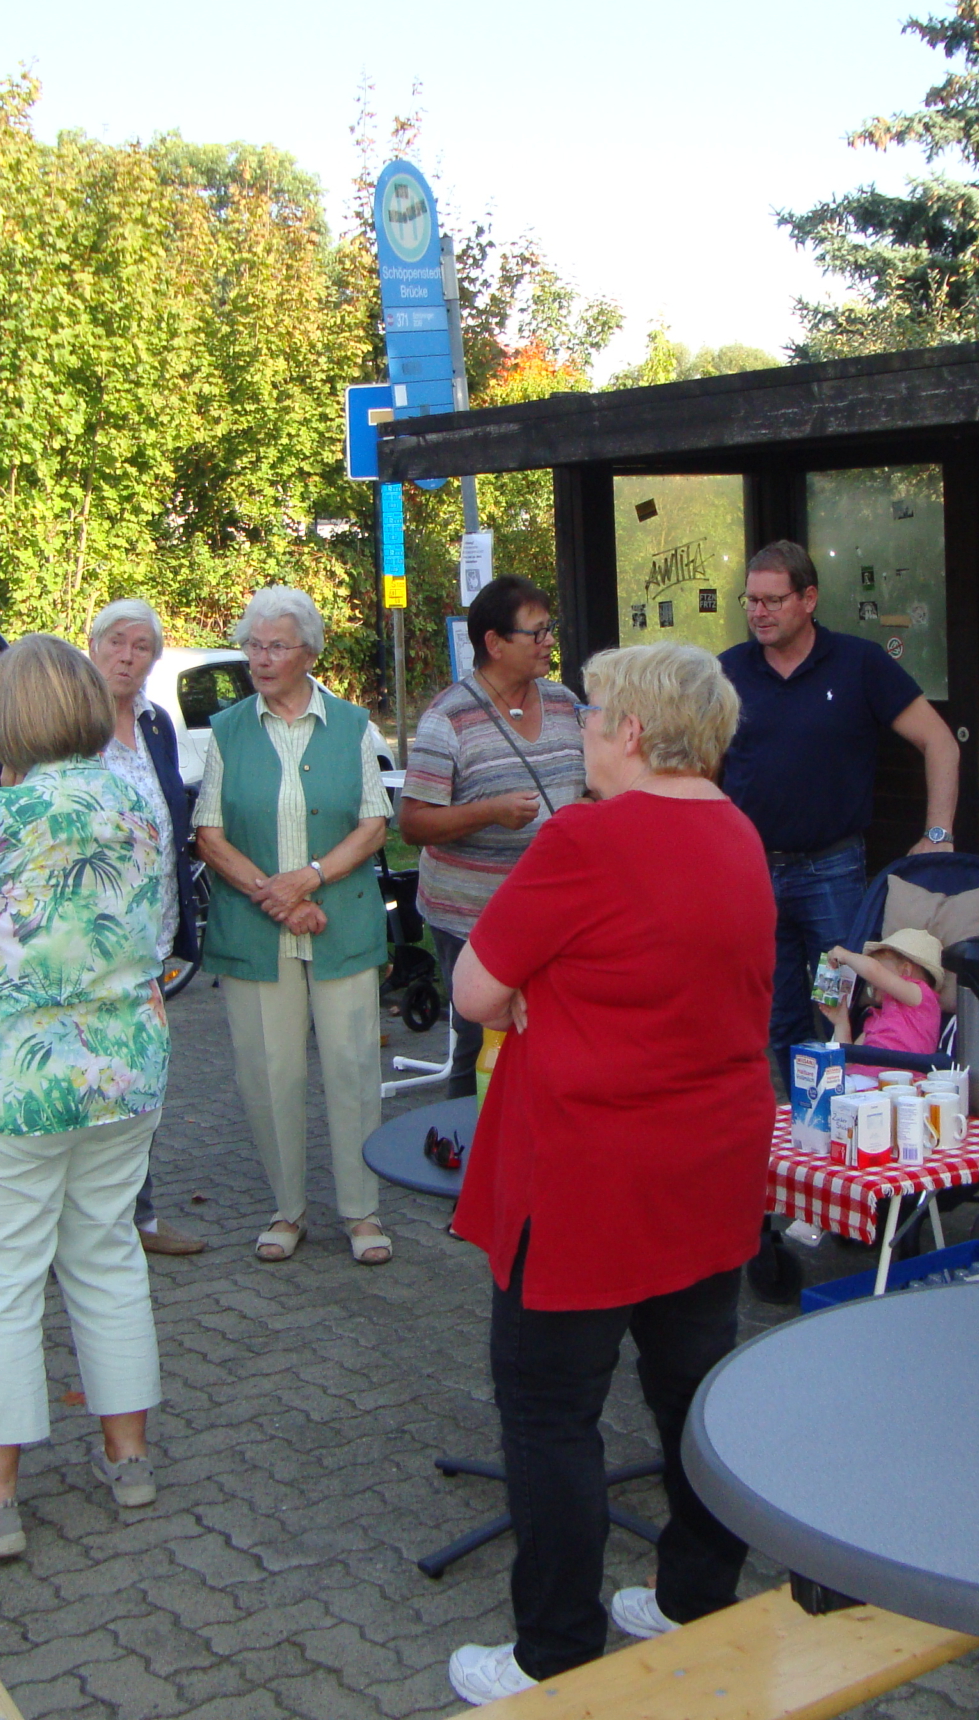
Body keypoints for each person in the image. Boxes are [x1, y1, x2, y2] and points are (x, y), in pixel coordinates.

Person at [440, 639, 774, 1704]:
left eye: (586, 717)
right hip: (707, 1164)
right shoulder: (736, 829)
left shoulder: (584, 837)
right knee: (690, 1388)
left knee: (549, 1415)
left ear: (630, 732)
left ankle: (554, 1653)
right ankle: (692, 1593)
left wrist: (538, 988)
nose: (575, 731)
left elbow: (472, 992)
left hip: (588, 1172)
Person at [0, 635, 177, 1558]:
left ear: (9, 718)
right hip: (125, 1074)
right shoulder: (134, 799)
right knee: (106, 1254)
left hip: (16, 1088)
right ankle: (128, 1460)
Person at [193, 587, 395, 1265]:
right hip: (256, 931)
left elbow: (373, 825)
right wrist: (275, 896)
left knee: (351, 1066)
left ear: (310, 651)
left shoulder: (353, 724)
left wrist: (308, 878)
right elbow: (209, 835)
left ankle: (362, 1213)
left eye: (276, 645)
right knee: (267, 1073)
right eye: (252, 644)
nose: (260, 657)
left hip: (341, 923)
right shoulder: (226, 730)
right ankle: (289, 1211)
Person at [719, 540, 963, 1061]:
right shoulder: (727, 672)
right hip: (752, 869)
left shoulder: (858, 662)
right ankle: (793, 1129)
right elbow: (692, 762)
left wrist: (938, 832)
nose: (757, 613)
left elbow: (939, 740)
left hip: (831, 869)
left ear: (808, 599)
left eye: (772, 600)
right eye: (751, 600)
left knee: (847, 1006)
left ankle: (849, 1126)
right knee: (772, 1014)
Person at [399, 575, 587, 1096]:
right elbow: (412, 822)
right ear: (495, 643)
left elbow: (588, 784)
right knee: (480, 1040)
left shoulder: (564, 702)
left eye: (551, 629)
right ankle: (465, 1152)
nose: (550, 641)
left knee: (548, 1036)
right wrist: (490, 812)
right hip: (472, 917)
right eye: (537, 632)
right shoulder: (448, 717)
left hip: (552, 913)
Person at [87, 598, 209, 1256]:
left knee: (142, 1083)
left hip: (151, 937)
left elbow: (177, 808)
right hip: (88, 944)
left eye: (142, 647)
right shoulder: (68, 724)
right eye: (117, 643)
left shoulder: (157, 723)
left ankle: (140, 1218)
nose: (128, 656)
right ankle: (89, 1228)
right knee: (93, 1085)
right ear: (93, 646)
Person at [817, 928, 945, 1068]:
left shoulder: (922, 997)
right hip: (863, 1082)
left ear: (906, 972)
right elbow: (847, 1062)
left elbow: (873, 971)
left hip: (901, 1082)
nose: (871, 981)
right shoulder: (876, 1019)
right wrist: (841, 1023)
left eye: (880, 965)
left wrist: (845, 956)